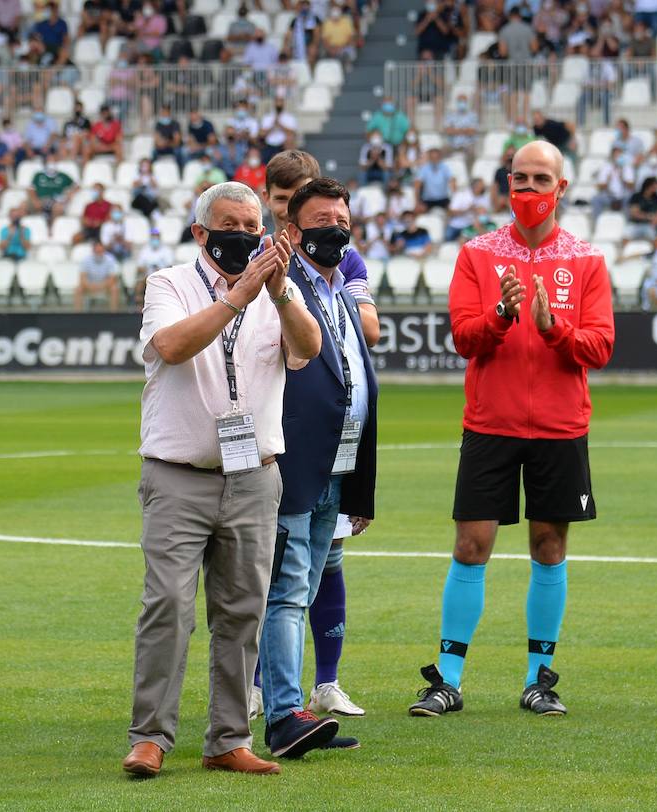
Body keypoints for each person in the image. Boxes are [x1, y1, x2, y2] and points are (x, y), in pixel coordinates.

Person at [409, 140, 614, 719]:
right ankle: (446, 680)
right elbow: (464, 338)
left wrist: (553, 328)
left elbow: (599, 347)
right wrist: (502, 315)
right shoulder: (476, 254)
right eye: (518, 179)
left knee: (549, 546)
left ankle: (538, 680)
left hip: (559, 428)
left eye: (540, 180)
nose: (527, 191)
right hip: (490, 424)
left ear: (561, 188)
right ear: (506, 184)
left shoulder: (587, 259)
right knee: (471, 546)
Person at [124, 181, 321, 778]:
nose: (245, 238)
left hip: (254, 475)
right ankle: (150, 736)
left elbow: (308, 348)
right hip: (179, 475)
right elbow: (172, 346)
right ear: (201, 234)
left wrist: (280, 292)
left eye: (252, 227)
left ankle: (227, 739)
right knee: (167, 605)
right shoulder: (170, 284)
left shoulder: (278, 290)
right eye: (230, 228)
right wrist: (237, 296)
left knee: (241, 612)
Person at [258, 176, 378, 758]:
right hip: (293, 455)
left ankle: (293, 707)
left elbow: (354, 374)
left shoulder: (337, 286)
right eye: (321, 222)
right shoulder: (280, 281)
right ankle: (283, 715)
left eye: (343, 223)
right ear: (292, 229)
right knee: (284, 588)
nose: (335, 231)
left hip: (338, 459)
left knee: (301, 586)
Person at [74, 240, 121, 312]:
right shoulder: (85, 260)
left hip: (105, 287)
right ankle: (77, 316)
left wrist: (101, 286)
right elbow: (82, 278)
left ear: (104, 250)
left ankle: (113, 314)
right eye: (97, 251)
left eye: (100, 251)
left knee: (114, 289)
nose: (99, 253)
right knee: (78, 289)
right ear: (93, 250)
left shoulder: (110, 260)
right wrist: (90, 286)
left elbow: (112, 279)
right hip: (89, 286)